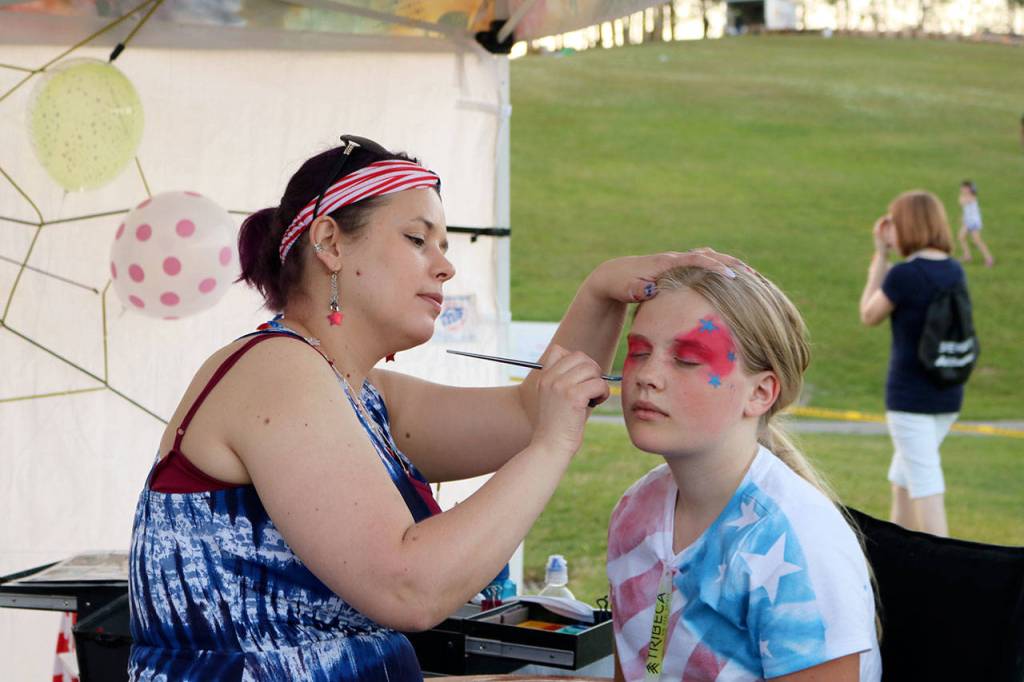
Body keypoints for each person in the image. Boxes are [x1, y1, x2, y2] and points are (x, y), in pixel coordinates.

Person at [127, 134, 740, 681]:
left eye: (443, 245)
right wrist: (555, 445)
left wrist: (602, 289)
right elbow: (408, 587)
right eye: (418, 239)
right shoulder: (275, 372)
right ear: (330, 243)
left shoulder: (360, 392)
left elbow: (528, 415)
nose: (445, 265)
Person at [607, 265, 881, 682]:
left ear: (760, 393)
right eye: (639, 351)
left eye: (686, 359)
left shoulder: (797, 544)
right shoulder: (636, 511)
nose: (646, 376)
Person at [859, 190, 966, 537]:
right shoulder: (954, 270)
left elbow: (869, 314)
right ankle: (899, 557)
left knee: (924, 484)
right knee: (903, 479)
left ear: (904, 225)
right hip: (948, 393)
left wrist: (879, 257)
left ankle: (944, 571)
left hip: (910, 399)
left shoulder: (903, 275)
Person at [957, 180, 994, 267]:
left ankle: (989, 258)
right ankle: (967, 255)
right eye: (962, 188)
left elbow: (962, 202)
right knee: (961, 237)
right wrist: (962, 218)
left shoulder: (971, 196)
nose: (962, 189)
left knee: (977, 240)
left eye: (965, 188)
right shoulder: (966, 196)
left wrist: (963, 196)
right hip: (968, 221)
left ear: (969, 189)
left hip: (973, 222)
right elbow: (965, 208)